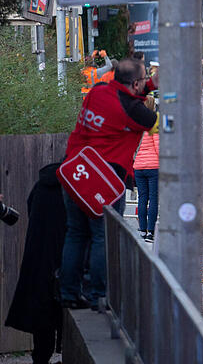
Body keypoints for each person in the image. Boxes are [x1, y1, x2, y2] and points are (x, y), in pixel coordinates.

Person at [61, 57, 157, 310]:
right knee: (102, 236)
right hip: (105, 180)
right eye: (144, 79)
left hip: (75, 170)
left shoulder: (99, 91)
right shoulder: (134, 111)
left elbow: (126, 94)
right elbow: (154, 122)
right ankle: (98, 296)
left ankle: (69, 293)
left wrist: (149, 85)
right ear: (136, 83)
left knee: (75, 233)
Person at [6, 164, 67, 364]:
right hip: (64, 259)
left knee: (42, 318)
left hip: (38, 258)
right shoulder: (74, 188)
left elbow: (31, 207)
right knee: (66, 317)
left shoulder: (41, 185)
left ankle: (40, 359)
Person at [133, 95, 160, 242]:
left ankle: (142, 230)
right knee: (153, 199)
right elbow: (158, 146)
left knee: (142, 198)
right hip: (153, 166)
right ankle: (151, 232)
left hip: (138, 166)